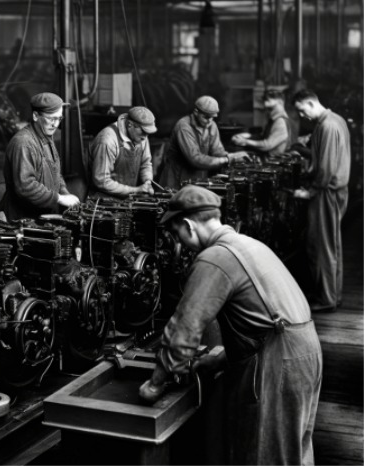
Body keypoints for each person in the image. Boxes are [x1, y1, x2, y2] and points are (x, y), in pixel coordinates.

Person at [138, 185, 322, 465]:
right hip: (305, 353)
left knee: (267, 457)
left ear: (188, 226)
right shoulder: (248, 245)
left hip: (280, 363)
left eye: (177, 235)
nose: (181, 243)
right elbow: (264, 316)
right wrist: (222, 359)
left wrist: (155, 383)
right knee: (293, 454)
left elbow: (184, 330)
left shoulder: (215, 257)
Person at [292, 89, 351, 312]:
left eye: (301, 110)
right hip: (335, 191)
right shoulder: (336, 120)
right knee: (331, 245)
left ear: (310, 103)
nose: (302, 116)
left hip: (327, 192)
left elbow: (325, 169)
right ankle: (332, 295)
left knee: (322, 247)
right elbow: (324, 158)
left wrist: (309, 192)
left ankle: (326, 299)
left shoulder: (326, 126)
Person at [0, 92, 79, 220]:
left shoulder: (46, 136)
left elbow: (56, 173)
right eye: (51, 118)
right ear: (36, 116)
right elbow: (26, 186)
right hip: (21, 219)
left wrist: (65, 193)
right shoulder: (23, 143)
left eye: (59, 118)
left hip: (42, 216)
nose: (56, 124)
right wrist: (60, 198)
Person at [159, 96, 251, 189]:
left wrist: (235, 157)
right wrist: (228, 159)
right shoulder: (184, 127)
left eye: (212, 117)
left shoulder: (211, 125)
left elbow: (218, 152)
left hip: (197, 180)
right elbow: (195, 159)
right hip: (176, 180)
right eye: (206, 117)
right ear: (196, 112)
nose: (209, 121)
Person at [87, 106, 156, 199]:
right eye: (143, 131)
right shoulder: (107, 141)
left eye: (148, 133)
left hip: (128, 199)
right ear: (130, 125)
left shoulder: (142, 137)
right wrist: (136, 190)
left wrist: (147, 181)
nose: (145, 137)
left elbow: (146, 163)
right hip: (104, 201)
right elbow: (102, 181)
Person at [231, 89, 294, 157]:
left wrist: (245, 141)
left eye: (271, 108)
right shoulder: (274, 119)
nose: (268, 112)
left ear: (280, 103)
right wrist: (248, 136)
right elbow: (263, 137)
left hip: (273, 161)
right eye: (267, 109)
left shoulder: (280, 121)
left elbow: (267, 145)